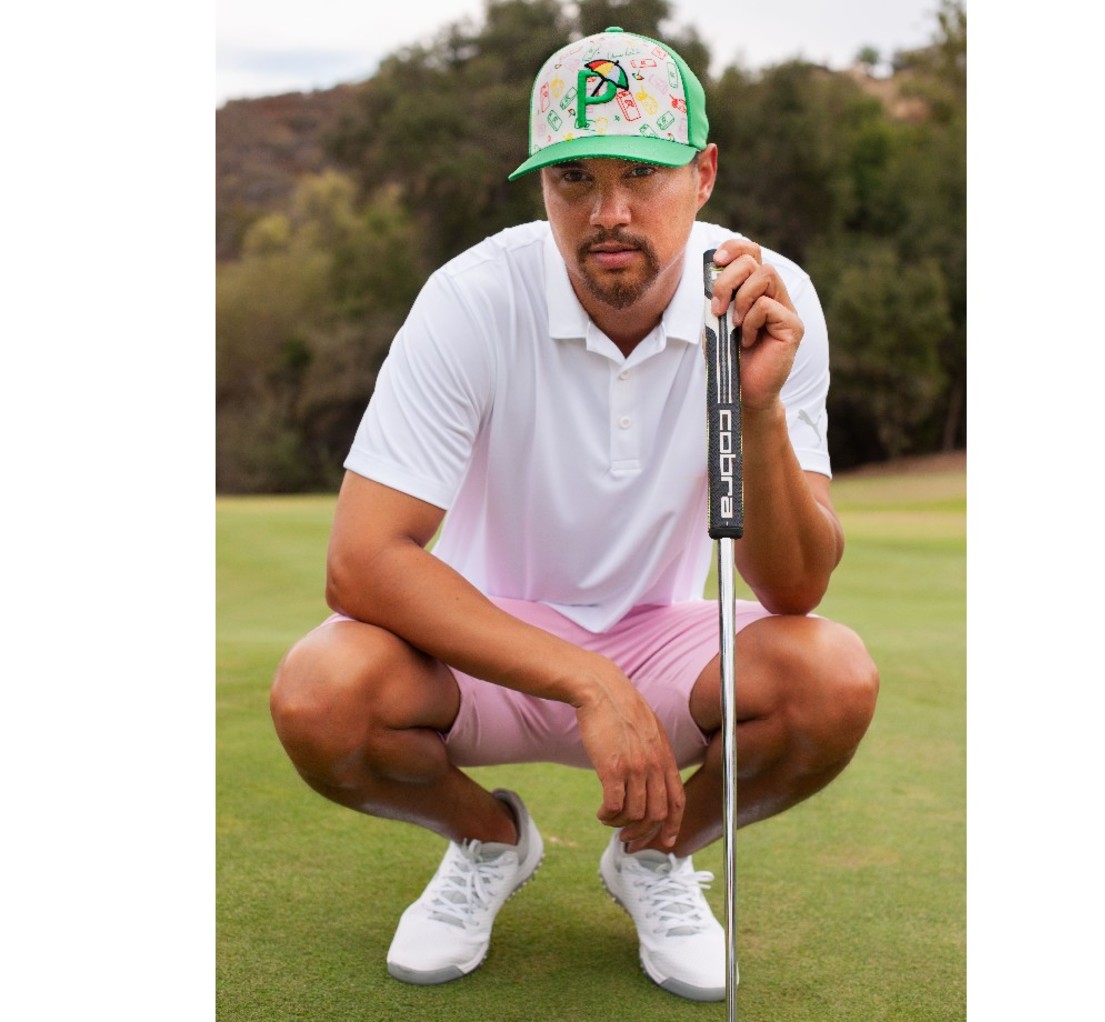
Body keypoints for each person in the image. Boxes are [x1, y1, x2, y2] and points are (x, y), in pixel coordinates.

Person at [269, 26, 879, 1003]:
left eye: (642, 173)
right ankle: (488, 838)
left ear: (705, 172)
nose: (610, 212)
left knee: (834, 674)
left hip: (664, 648)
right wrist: (588, 681)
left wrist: (755, 407)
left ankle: (654, 854)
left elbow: (795, 585)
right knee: (319, 692)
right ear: (541, 187)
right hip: (481, 643)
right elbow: (363, 561)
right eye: (574, 180)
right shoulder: (472, 298)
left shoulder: (767, 299)